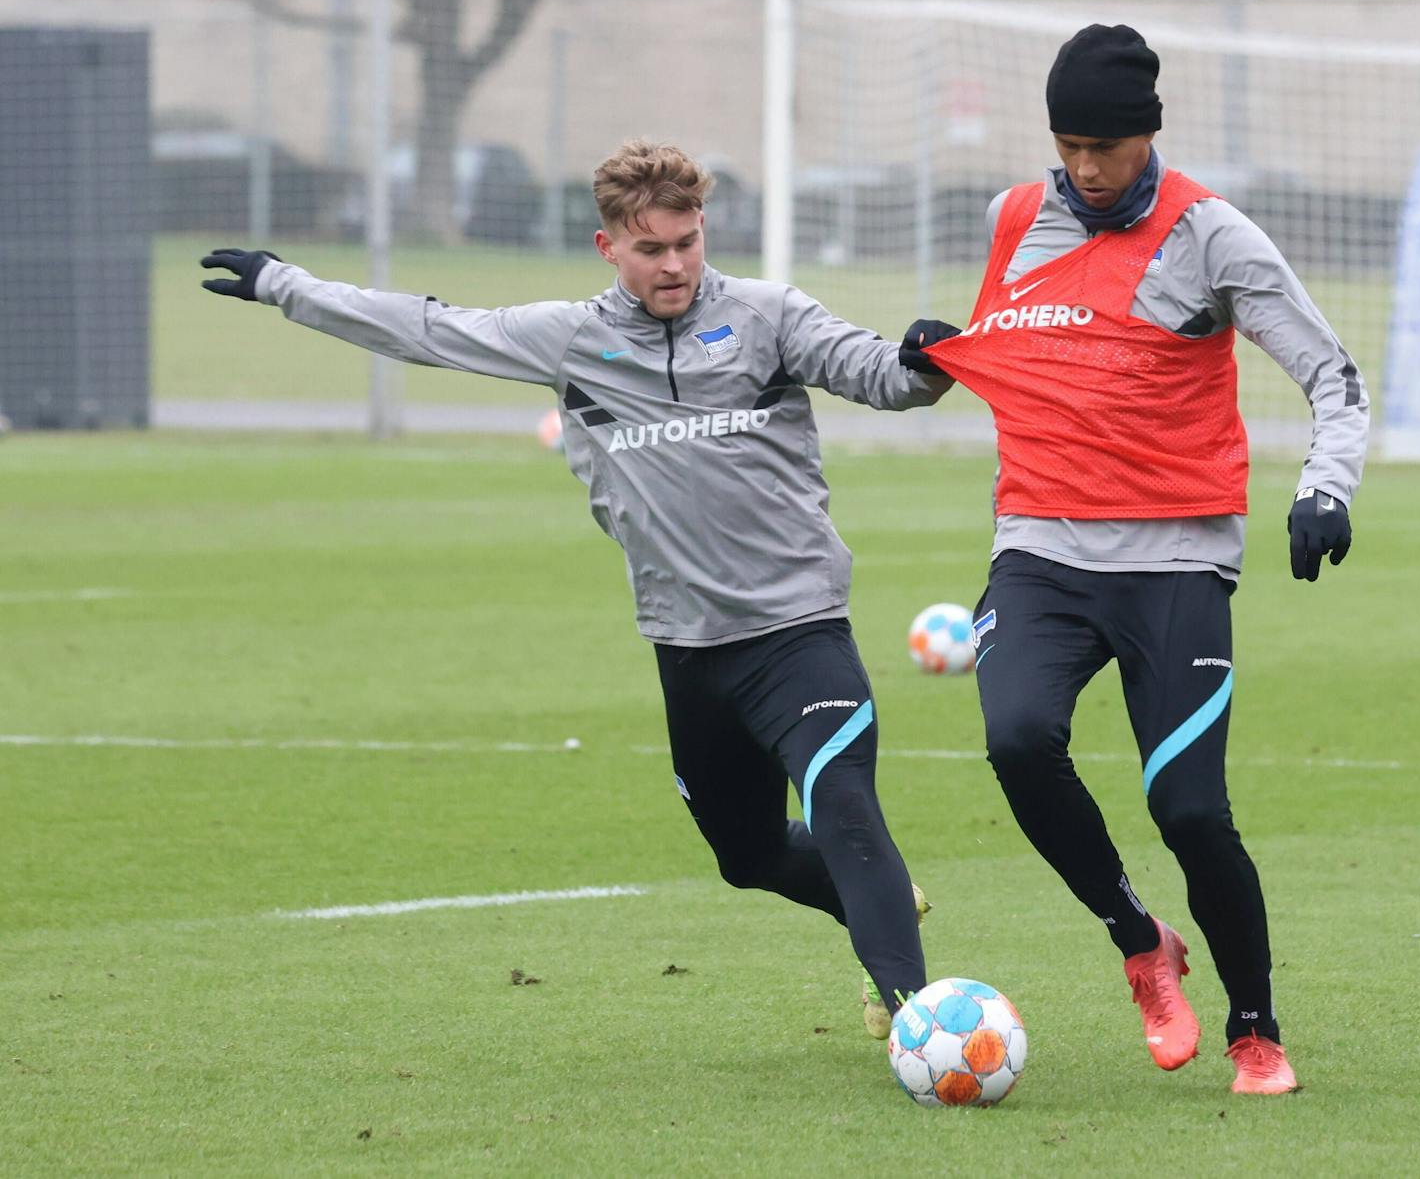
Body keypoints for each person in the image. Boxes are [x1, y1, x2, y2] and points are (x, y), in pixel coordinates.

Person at [202, 139, 950, 1042]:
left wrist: (924, 362)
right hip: (687, 647)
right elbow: (426, 327)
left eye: (688, 241)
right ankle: (878, 914)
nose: (674, 264)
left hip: (800, 630)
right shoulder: (570, 338)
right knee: (747, 855)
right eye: (651, 248)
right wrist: (284, 283)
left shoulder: (768, 316)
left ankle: (922, 1020)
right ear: (609, 248)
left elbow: (876, 371)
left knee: (842, 802)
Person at [900, 25, 1369, 1095]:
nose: (1082, 168)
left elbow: (1333, 377)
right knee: (1017, 738)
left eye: (1102, 148)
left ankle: (1255, 1029)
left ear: (1146, 136)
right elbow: (1037, 355)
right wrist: (946, 353)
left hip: (1173, 560)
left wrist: (1322, 489)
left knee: (1191, 810)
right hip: (1040, 546)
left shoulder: (1213, 237)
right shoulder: (1013, 217)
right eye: (1066, 145)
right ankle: (1136, 936)